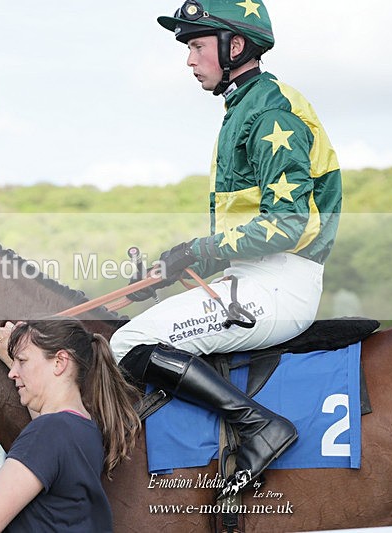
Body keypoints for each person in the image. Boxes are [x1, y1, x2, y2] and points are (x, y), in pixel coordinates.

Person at [110, 0, 342, 498]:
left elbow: (286, 224)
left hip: (280, 283)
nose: (189, 60)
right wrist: (175, 262)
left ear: (234, 45)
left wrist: (195, 251)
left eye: (196, 46)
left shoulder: (269, 109)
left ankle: (260, 426)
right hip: (254, 279)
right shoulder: (246, 106)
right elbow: (238, 237)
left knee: (126, 345)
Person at [0, 318, 140, 533]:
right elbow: (47, 424)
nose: (12, 373)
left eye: (22, 361)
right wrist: (15, 358)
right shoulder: (83, 426)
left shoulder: (49, 432)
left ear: (60, 362)